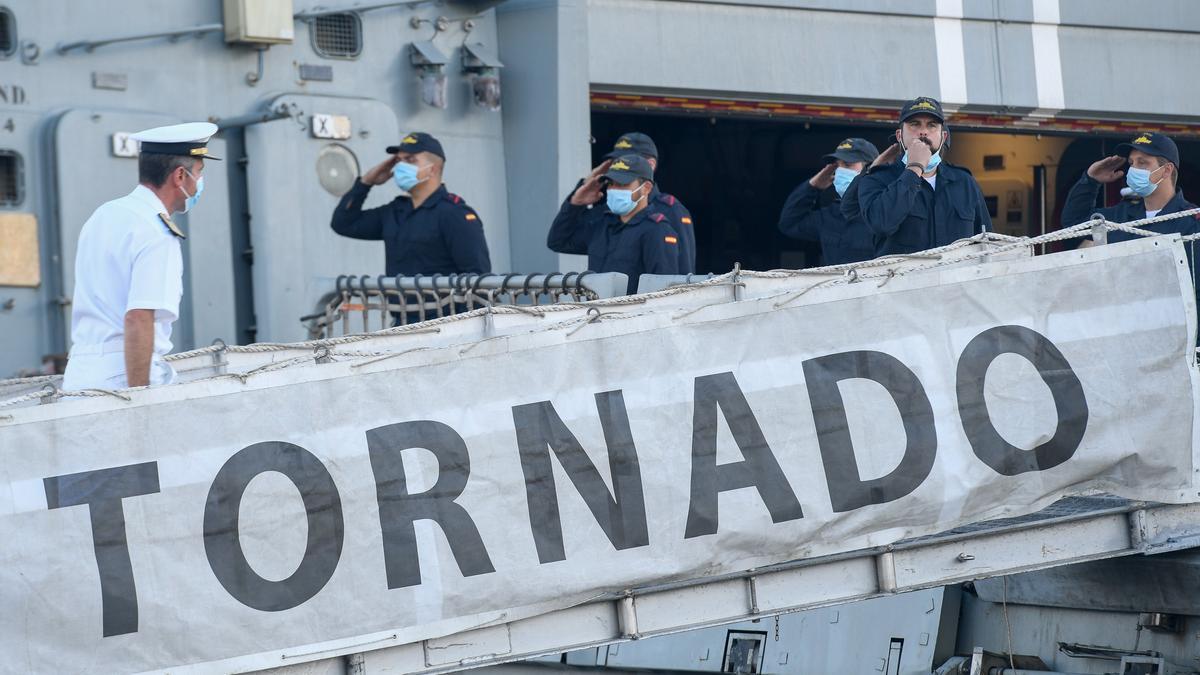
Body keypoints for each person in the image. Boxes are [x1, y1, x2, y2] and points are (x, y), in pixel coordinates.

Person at [62, 122, 217, 390]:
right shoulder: (155, 231)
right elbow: (139, 317)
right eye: (199, 173)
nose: (200, 183)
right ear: (180, 176)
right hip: (123, 377)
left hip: (80, 372)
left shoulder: (104, 214)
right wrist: (139, 403)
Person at [331, 132, 490, 279]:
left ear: (432, 169)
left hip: (446, 310)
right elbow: (343, 223)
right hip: (401, 309)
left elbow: (477, 280)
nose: (400, 166)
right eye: (398, 160)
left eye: (410, 160)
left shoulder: (454, 214)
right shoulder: (395, 212)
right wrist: (366, 182)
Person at [856, 96, 991, 256]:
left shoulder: (964, 182)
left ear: (943, 136)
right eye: (914, 124)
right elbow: (882, 224)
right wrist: (914, 168)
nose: (923, 131)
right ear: (899, 136)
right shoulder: (877, 179)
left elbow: (986, 241)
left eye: (932, 125)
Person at [547, 154, 680, 294]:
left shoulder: (657, 230)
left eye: (622, 184)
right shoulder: (601, 225)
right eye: (610, 183)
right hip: (596, 312)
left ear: (646, 188)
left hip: (632, 314)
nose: (613, 189)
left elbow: (662, 291)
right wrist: (575, 204)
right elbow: (558, 241)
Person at [1060, 131, 1199, 248]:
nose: (1134, 169)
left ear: (1166, 170)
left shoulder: (1192, 223)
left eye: (1142, 162)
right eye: (1131, 163)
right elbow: (1074, 221)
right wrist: (1090, 180)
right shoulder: (1119, 218)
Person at [592, 132, 697, 273]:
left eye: (628, 160)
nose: (619, 166)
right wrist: (587, 183)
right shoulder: (613, 209)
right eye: (616, 161)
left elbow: (684, 265)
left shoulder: (670, 210)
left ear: (651, 165)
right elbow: (560, 240)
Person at [778, 138, 880, 265]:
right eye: (837, 166)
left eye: (847, 165)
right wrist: (812, 187)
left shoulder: (885, 211)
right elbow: (789, 223)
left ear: (870, 169)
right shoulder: (830, 215)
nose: (840, 171)